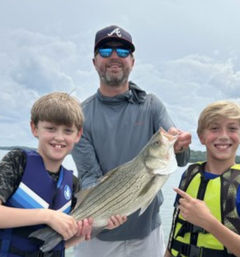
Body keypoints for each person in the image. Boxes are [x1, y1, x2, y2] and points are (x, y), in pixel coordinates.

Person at [71, 25, 192, 257]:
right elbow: (88, 175)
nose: (115, 56)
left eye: (123, 51)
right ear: (94, 62)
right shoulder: (80, 115)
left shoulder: (151, 105)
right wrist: (101, 213)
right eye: (105, 51)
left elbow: (179, 156)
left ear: (133, 61)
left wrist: (180, 147)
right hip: (98, 238)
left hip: (147, 235)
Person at [0, 92, 126, 257]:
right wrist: (46, 216)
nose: (59, 137)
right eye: (51, 129)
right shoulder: (17, 162)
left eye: (67, 131)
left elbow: (61, 242)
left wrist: (100, 225)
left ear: (78, 135)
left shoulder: (72, 184)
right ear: (34, 128)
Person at [165, 100, 240, 257]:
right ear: (201, 137)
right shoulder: (189, 175)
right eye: (214, 128)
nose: (223, 136)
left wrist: (209, 222)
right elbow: (175, 234)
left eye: (232, 129)